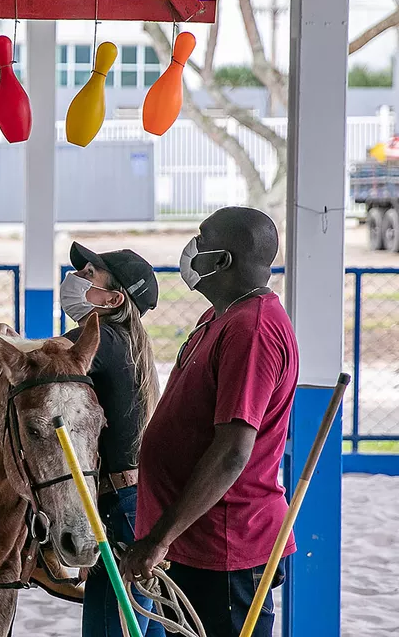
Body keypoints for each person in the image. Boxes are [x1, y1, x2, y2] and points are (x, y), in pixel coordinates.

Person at [120, 207, 299, 637]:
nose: (191, 249)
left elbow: (232, 452)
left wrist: (159, 538)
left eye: (201, 240)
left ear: (221, 261)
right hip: (195, 541)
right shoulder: (218, 317)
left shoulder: (252, 330)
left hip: (225, 546)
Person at [21, 243, 165, 637]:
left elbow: (29, 360)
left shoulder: (98, 340)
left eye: (89, 275)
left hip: (119, 504)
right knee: (141, 621)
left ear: (113, 298)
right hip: (133, 499)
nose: (76, 279)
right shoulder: (126, 343)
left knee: (109, 626)